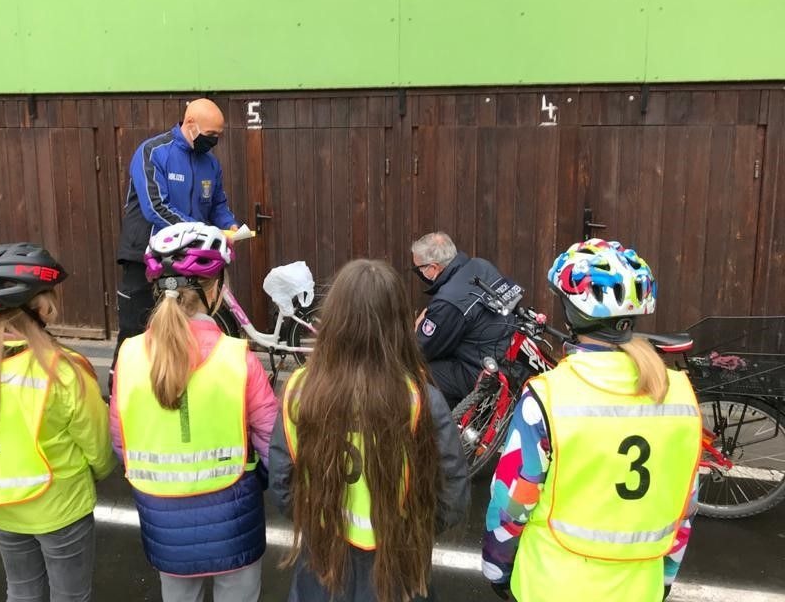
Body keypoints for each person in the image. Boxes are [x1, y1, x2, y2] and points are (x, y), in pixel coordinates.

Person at [481, 239, 701, 602]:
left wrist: (497, 568)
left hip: (549, 584)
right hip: (639, 588)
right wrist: (664, 578)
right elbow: (685, 507)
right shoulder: (681, 394)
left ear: (571, 313)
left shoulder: (547, 396)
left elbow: (512, 501)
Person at [269, 258, 470, 602]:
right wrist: (413, 530)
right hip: (399, 568)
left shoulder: (300, 390)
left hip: (321, 564)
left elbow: (283, 484)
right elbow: (452, 496)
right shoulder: (421, 398)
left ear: (332, 320)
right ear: (398, 325)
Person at [110, 222, 277, 602]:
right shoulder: (238, 359)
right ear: (216, 288)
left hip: (163, 521)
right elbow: (272, 443)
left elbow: (121, 441)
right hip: (234, 519)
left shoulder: (130, 355)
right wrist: (256, 481)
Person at [0, 243, 116, 602]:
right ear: (36, 302)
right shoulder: (61, 368)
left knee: (22, 592)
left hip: (3, 504)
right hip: (61, 505)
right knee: (70, 595)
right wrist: (103, 469)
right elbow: (97, 442)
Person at [111, 98, 239, 392]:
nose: (214, 141)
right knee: (135, 332)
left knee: (190, 329)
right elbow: (155, 206)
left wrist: (229, 224)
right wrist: (199, 230)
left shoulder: (210, 163)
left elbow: (217, 203)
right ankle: (119, 391)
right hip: (144, 259)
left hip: (190, 258)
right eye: (210, 135)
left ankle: (182, 387)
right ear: (190, 124)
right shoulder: (153, 152)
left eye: (218, 137)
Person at [411, 232, 516, 409]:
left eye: (419, 269)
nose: (420, 273)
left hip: (484, 372)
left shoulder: (448, 301)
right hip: (511, 355)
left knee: (417, 372)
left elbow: (420, 349)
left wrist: (418, 325)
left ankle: (447, 429)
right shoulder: (481, 266)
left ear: (433, 268)